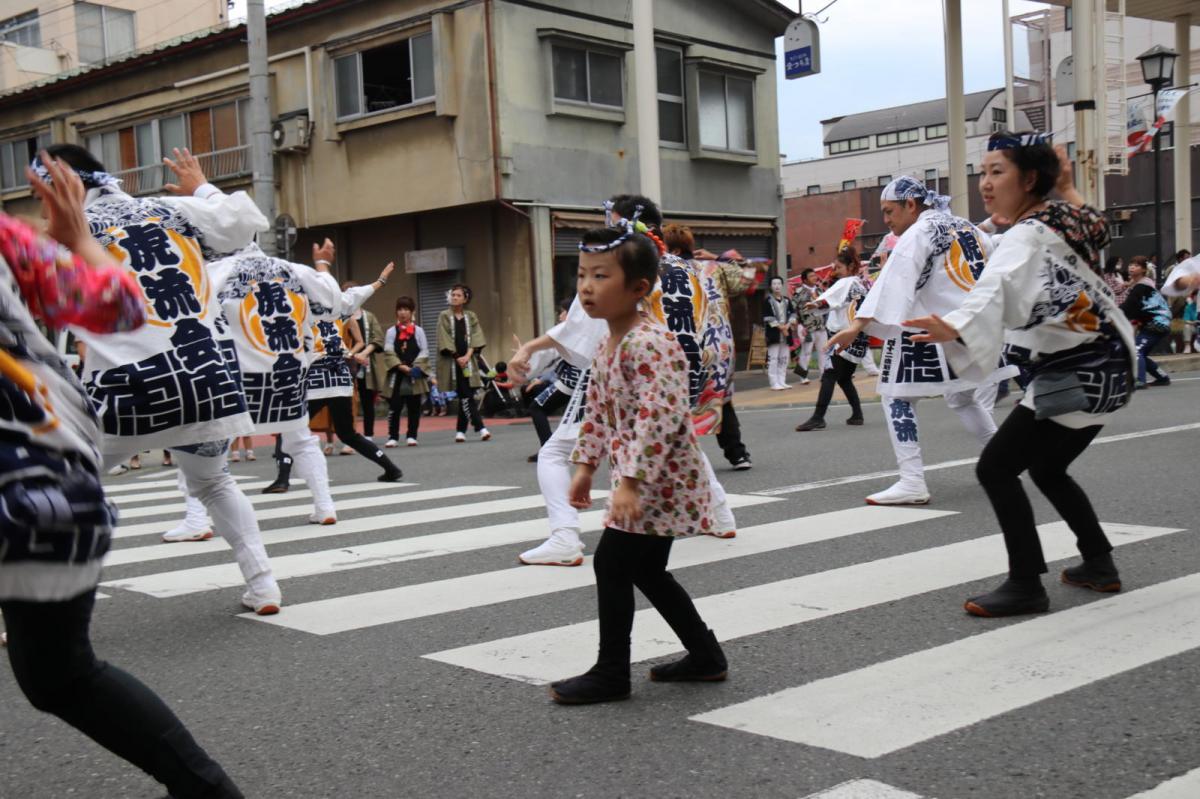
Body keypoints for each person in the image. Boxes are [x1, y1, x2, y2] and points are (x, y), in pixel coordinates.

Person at [1, 153, 244, 798]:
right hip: (53, 478)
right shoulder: (7, 237)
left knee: (58, 674)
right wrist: (78, 238)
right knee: (59, 674)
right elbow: (119, 306)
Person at [37, 144, 284, 615]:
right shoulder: (171, 210)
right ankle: (264, 585)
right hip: (207, 381)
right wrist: (203, 187)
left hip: (128, 393)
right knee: (214, 483)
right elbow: (244, 223)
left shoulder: (66, 234)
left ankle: (37, 611)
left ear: (63, 187)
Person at [905, 130, 1136, 618]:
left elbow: (996, 286)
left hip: (1073, 375)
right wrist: (1068, 184)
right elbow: (1096, 223)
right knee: (1047, 468)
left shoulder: (1027, 234)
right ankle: (1098, 563)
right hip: (1113, 368)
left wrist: (955, 326)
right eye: (983, 172)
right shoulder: (1068, 217)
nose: (985, 184)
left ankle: (1026, 584)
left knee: (995, 467)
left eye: (997, 172)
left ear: (1029, 179)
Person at [507, 196, 741, 567]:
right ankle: (721, 513)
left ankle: (565, 537)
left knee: (554, 453)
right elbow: (715, 324)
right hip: (683, 368)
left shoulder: (623, 271)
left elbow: (579, 328)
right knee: (678, 436)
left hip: (627, 369)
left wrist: (530, 351)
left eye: (613, 222)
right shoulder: (690, 269)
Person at [550, 223, 726, 705]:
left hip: (659, 480)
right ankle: (706, 656)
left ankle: (611, 673)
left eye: (600, 276)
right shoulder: (608, 344)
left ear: (639, 288)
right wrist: (585, 466)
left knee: (612, 563)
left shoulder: (651, 342)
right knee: (645, 572)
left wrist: (629, 482)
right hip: (644, 479)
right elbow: (598, 411)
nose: (586, 286)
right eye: (582, 275)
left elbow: (662, 416)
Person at [165, 240, 389, 532]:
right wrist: (324, 264)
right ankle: (324, 507)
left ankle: (196, 520)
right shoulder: (292, 271)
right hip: (289, 377)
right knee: (302, 442)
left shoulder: (217, 271)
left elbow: (182, 308)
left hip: (240, 379)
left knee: (197, 443)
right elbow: (340, 302)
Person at [827, 175, 1015, 505]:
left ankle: (912, 481)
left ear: (910, 205)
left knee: (896, 397)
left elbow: (893, 279)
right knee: (962, 399)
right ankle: (1004, 460)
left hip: (928, 329)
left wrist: (856, 325)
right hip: (972, 327)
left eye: (889, 212)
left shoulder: (920, 231)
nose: (886, 220)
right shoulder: (965, 226)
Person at [306, 292, 404, 482]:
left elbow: (363, 341)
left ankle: (282, 479)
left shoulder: (306, 315)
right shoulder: (338, 313)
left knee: (294, 428)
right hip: (340, 377)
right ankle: (390, 468)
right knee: (348, 433)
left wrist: (353, 353)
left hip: (319, 377)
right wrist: (380, 282)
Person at [794, 248, 868, 431]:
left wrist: (818, 303)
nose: (835, 270)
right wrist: (820, 302)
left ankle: (818, 417)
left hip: (846, 335)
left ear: (851, 266)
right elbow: (837, 300)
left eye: (839, 267)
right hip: (857, 336)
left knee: (829, 375)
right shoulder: (858, 284)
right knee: (843, 379)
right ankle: (857, 415)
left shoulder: (847, 283)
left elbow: (832, 299)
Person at [437, 284, 491, 442]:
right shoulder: (444, 315)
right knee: (466, 394)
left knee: (465, 394)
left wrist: (467, 356)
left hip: (468, 361)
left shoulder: (471, 316)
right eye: (453, 294)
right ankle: (480, 427)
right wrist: (457, 357)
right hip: (452, 362)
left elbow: (476, 336)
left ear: (465, 299)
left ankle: (460, 431)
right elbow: (443, 337)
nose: (454, 297)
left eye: (458, 295)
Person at [383, 296, 431, 447]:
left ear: (412, 312)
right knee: (395, 406)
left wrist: (414, 367)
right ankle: (393, 436)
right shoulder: (391, 331)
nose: (403, 313)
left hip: (414, 373)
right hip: (397, 373)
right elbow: (388, 351)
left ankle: (412, 435)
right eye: (400, 309)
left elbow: (424, 351)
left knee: (414, 406)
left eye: (406, 310)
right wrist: (399, 366)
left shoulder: (419, 331)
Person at [1121, 257, 1173, 388]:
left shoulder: (1142, 286)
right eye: (1131, 264)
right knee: (1140, 352)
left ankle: (1139, 380)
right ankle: (1162, 377)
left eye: (1136, 265)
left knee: (1136, 351)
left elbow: (1128, 307)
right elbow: (1133, 307)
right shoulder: (1141, 285)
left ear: (1144, 269)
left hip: (1156, 322)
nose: (1132, 267)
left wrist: (1111, 313)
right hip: (1157, 322)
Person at [347, 285, 387, 439]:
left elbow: (378, 338)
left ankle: (368, 434)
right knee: (348, 402)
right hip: (346, 364)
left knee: (367, 401)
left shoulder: (369, 316)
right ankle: (349, 435)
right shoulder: (340, 315)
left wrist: (364, 353)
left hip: (366, 365)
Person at [792, 267, 827, 384]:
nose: (815, 278)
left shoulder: (820, 291)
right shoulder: (799, 292)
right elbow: (793, 309)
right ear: (805, 280)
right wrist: (799, 326)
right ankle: (803, 377)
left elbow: (826, 305)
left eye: (814, 275)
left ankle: (824, 374)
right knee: (806, 352)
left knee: (823, 351)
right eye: (811, 276)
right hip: (807, 327)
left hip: (821, 326)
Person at [762, 275, 797, 391]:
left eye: (779, 284)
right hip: (774, 333)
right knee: (773, 359)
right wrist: (781, 327)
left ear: (782, 285)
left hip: (786, 332)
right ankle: (774, 382)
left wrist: (787, 325)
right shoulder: (768, 300)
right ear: (771, 286)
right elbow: (767, 317)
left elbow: (793, 313)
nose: (777, 286)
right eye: (774, 284)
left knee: (784, 358)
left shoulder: (787, 300)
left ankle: (782, 381)